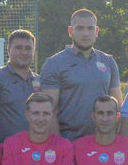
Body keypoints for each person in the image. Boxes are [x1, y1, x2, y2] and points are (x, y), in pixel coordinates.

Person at [40, 9, 122, 140]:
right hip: (69, 142)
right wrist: (60, 146)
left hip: (102, 144)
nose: (85, 33)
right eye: (80, 28)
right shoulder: (54, 64)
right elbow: (49, 111)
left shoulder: (108, 61)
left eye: (90, 28)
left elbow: (117, 108)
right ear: (70, 31)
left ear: (96, 31)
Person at [0, 29, 41, 143]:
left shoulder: (39, 81)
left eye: (28, 48)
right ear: (8, 49)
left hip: (36, 150)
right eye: (18, 48)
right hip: (5, 151)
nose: (24, 52)